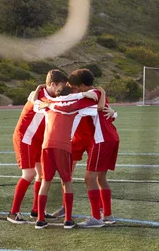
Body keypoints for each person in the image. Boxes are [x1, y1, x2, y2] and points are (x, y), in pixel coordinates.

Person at [7, 70, 94, 224]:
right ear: (52, 85)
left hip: (39, 140)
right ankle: (13, 212)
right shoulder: (42, 95)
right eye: (60, 86)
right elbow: (55, 100)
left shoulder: (46, 94)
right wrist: (83, 95)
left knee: (41, 175)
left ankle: (36, 211)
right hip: (27, 138)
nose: (62, 90)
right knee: (28, 174)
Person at [31, 71, 100, 229]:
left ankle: (40, 219)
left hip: (47, 147)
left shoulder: (48, 105)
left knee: (45, 181)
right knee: (67, 181)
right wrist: (90, 95)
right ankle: (68, 219)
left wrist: (40, 88)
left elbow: (35, 101)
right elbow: (96, 108)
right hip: (63, 147)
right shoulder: (74, 107)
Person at [63, 68, 119, 228]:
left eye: (75, 88)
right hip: (111, 137)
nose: (75, 90)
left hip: (101, 139)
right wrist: (114, 113)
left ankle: (96, 217)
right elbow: (106, 111)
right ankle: (107, 215)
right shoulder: (99, 93)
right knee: (101, 178)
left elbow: (71, 103)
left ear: (82, 86)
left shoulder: (91, 95)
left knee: (89, 178)